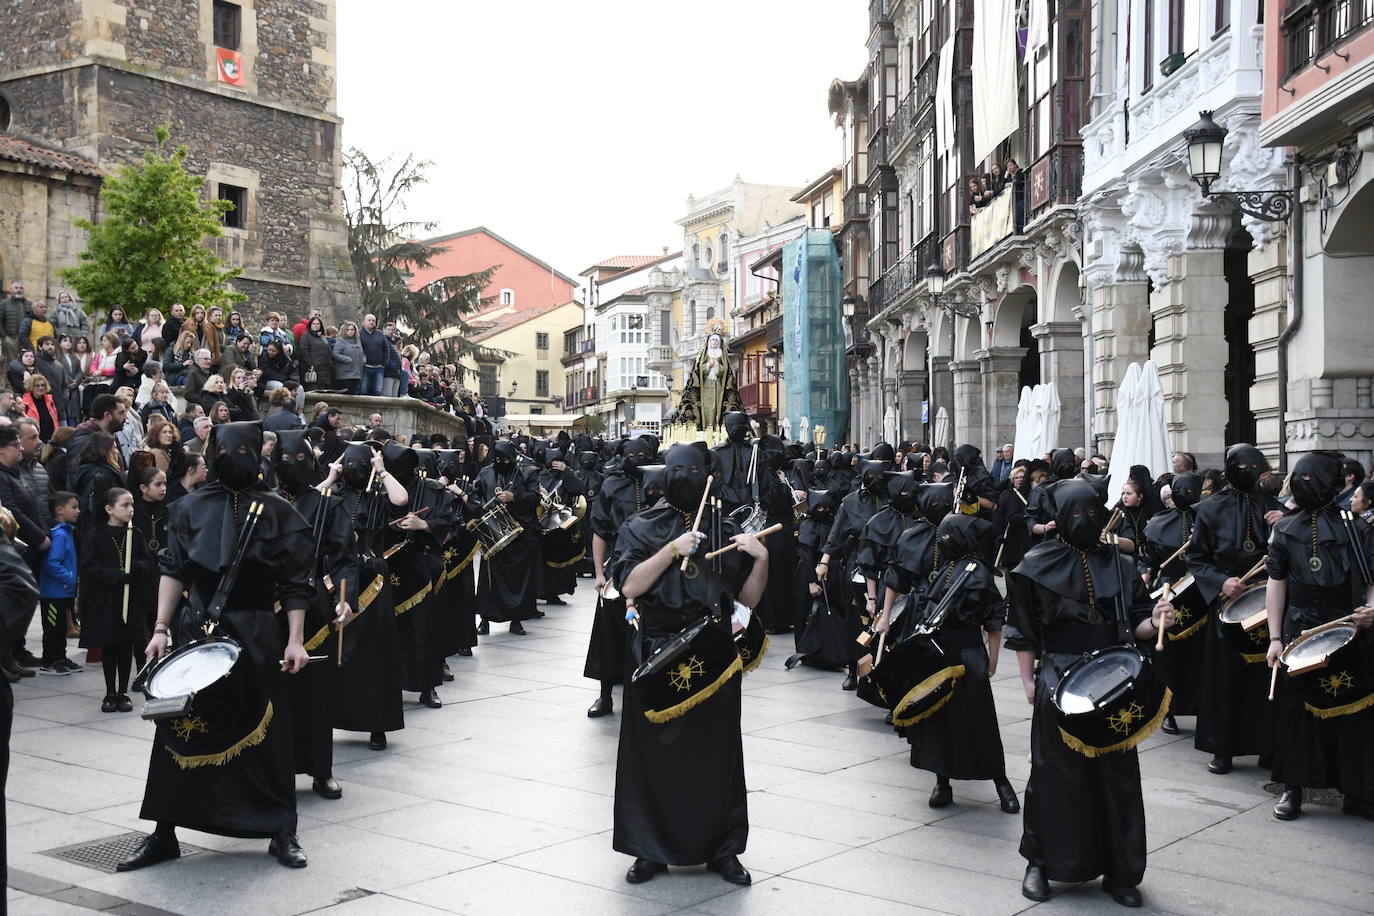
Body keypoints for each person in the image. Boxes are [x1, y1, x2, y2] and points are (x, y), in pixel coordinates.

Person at [117, 422, 315, 872]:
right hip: (197, 633)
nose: (235, 455)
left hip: (258, 632)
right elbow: (174, 569)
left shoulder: (280, 511)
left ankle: (282, 829)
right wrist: (161, 627)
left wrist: (296, 640)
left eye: (244, 448)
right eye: (226, 448)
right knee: (178, 729)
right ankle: (165, 832)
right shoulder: (187, 507)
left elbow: (296, 585)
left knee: (267, 732)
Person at [1011, 481, 1176, 907]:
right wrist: (1029, 681)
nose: (1085, 519)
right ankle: (1041, 863)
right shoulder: (1033, 565)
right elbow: (1025, 632)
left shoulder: (1120, 565)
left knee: (1117, 777)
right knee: (1053, 775)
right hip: (1058, 673)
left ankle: (1121, 872)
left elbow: (1138, 625)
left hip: (1115, 677)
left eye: (1091, 510)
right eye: (1075, 512)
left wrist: (1159, 619)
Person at [610, 442, 768, 887]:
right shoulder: (641, 525)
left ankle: (723, 848)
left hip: (713, 652)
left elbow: (748, 600)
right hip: (657, 648)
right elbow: (630, 586)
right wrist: (672, 550)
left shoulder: (726, 527)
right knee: (650, 758)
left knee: (716, 755)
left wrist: (761, 559)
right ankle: (648, 848)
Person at [881, 513, 1019, 813]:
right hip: (939, 653)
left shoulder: (979, 572)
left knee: (979, 722)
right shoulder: (945, 568)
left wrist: (992, 662)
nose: (941, 541)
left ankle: (1001, 782)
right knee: (939, 719)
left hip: (969, 653)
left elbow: (993, 621)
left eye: (947, 536)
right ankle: (942, 782)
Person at [1263, 451, 1374, 822]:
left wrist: (1372, 610)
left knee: (1354, 710)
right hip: (1300, 627)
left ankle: (1356, 790)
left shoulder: (1358, 527)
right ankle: (1293, 788)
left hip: (1349, 627)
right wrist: (1274, 637)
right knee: (1297, 713)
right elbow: (1276, 584)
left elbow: (1371, 578)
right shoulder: (1283, 529)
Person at [1186, 444, 1282, 776]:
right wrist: (1220, 581)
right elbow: (1196, 558)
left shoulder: (1275, 508)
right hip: (1227, 603)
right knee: (1224, 678)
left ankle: (1267, 745)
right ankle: (1222, 747)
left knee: (1263, 680)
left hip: (1267, 605)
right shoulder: (1209, 509)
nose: (1253, 473)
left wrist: (1285, 524)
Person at [273, 430, 354, 799]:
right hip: (269, 609)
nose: (293, 467)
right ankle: (270, 768)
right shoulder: (265, 503)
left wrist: (342, 594)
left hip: (315, 604)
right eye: (285, 460)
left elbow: (342, 557)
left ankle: (321, 769)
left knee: (315, 693)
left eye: (300, 460)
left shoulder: (329, 504)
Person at [323, 441, 407, 751]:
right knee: (337, 651)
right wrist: (331, 477)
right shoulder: (333, 496)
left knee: (376, 653)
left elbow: (402, 498)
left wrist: (382, 471)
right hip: (337, 579)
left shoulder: (378, 496)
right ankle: (333, 714)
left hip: (373, 579)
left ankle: (377, 724)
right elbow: (305, 507)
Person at [584, 437, 655, 716]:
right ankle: (605, 695)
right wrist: (599, 572)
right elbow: (600, 529)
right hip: (618, 568)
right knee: (609, 635)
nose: (637, 458)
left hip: (653, 568)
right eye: (632, 454)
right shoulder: (611, 485)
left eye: (643, 454)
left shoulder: (660, 482)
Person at [1142, 473, 1207, 735]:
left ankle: (1200, 707)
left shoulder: (1206, 519)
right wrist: (1146, 571)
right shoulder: (1158, 522)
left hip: (1198, 591)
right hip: (1168, 591)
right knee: (1168, 656)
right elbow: (1147, 555)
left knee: (1198, 656)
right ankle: (1167, 709)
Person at [79, 487, 154, 713]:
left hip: (131, 601)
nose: (131, 510)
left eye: (132, 505)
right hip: (107, 600)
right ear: (109, 509)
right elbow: (89, 566)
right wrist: (117, 576)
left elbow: (147, 561)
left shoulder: (136, 534)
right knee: (110, 647)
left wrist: (139, 568)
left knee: (126, 646)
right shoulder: (96, 536)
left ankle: (123, 692)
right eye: (125, 505)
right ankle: (110, 691)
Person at [471, 441, 542, 636]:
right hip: (493, 533)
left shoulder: (526, 473)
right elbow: (474, 495)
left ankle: (516, 620)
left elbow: (536, 497)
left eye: (505, 459)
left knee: (518, 580)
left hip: (519, 534)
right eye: (498, 459)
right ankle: (485, 619)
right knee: (489, 580)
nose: (501, 462)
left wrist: (515, 497)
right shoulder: (486, 472)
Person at [38, 492, 81, 675]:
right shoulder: (59, 535)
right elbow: (51, 563)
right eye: (74, 507)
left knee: (62, 627)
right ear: (60, 510)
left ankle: (60, 657)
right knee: (53, 628)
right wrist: (70, 577)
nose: (78, 511)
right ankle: (49, 661)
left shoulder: (67, 532)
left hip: (63, 592)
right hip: (53, 593)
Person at [296, 316, 333, 391]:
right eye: (314, 324)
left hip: (325, 370)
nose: (316, 325)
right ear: (310, 325)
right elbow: (304, 351)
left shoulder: (323, 337)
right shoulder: (306, 336)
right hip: (312, 369)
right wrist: (311, 364)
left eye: (318, 324)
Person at [22, 374, 60, 442]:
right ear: (31, 387)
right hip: (36, 439)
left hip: (51, 438)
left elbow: (55, 419)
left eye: (43, 385)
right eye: (37, 386)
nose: (40, 388)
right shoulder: (25, 402)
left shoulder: (50, 400)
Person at [331, 320, 364, 395]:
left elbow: (362, 353)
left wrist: (363, 359)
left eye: (352, 329)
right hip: (344, 375)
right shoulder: (340, 341)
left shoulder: (358, 341)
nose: (350, 331)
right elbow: (335, 354)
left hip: (357, 374)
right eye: (348, 329)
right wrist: (346, 359)